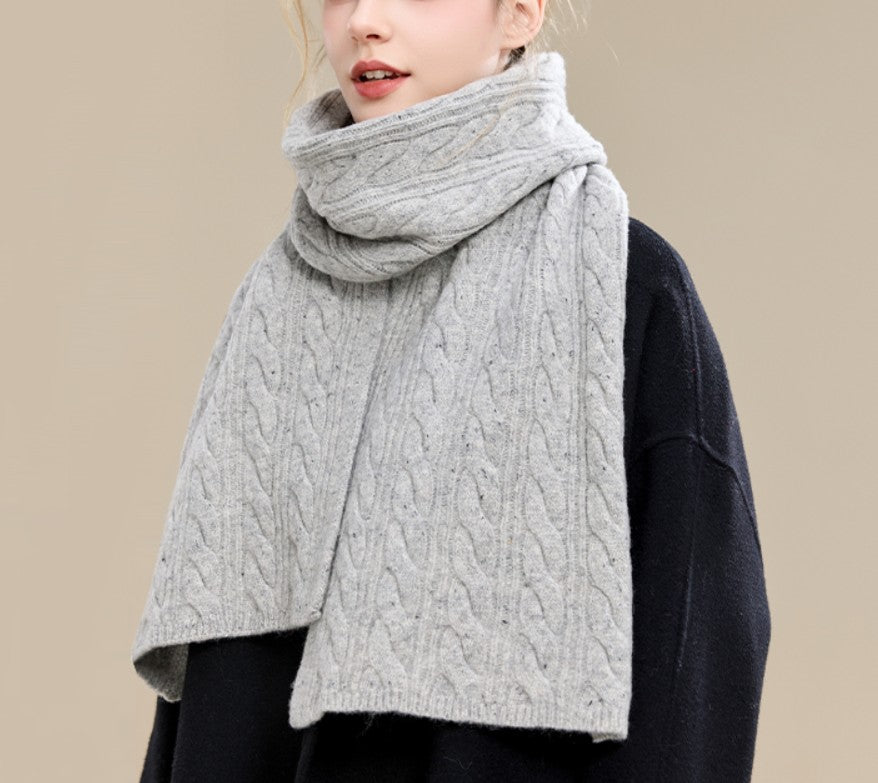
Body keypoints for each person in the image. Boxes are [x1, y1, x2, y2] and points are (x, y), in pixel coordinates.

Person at [136, 1, 771, 780]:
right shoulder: (276, 299)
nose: (364, 21)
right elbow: (204, 686)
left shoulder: (624, 286)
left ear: (521, 13)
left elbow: (697, 657)